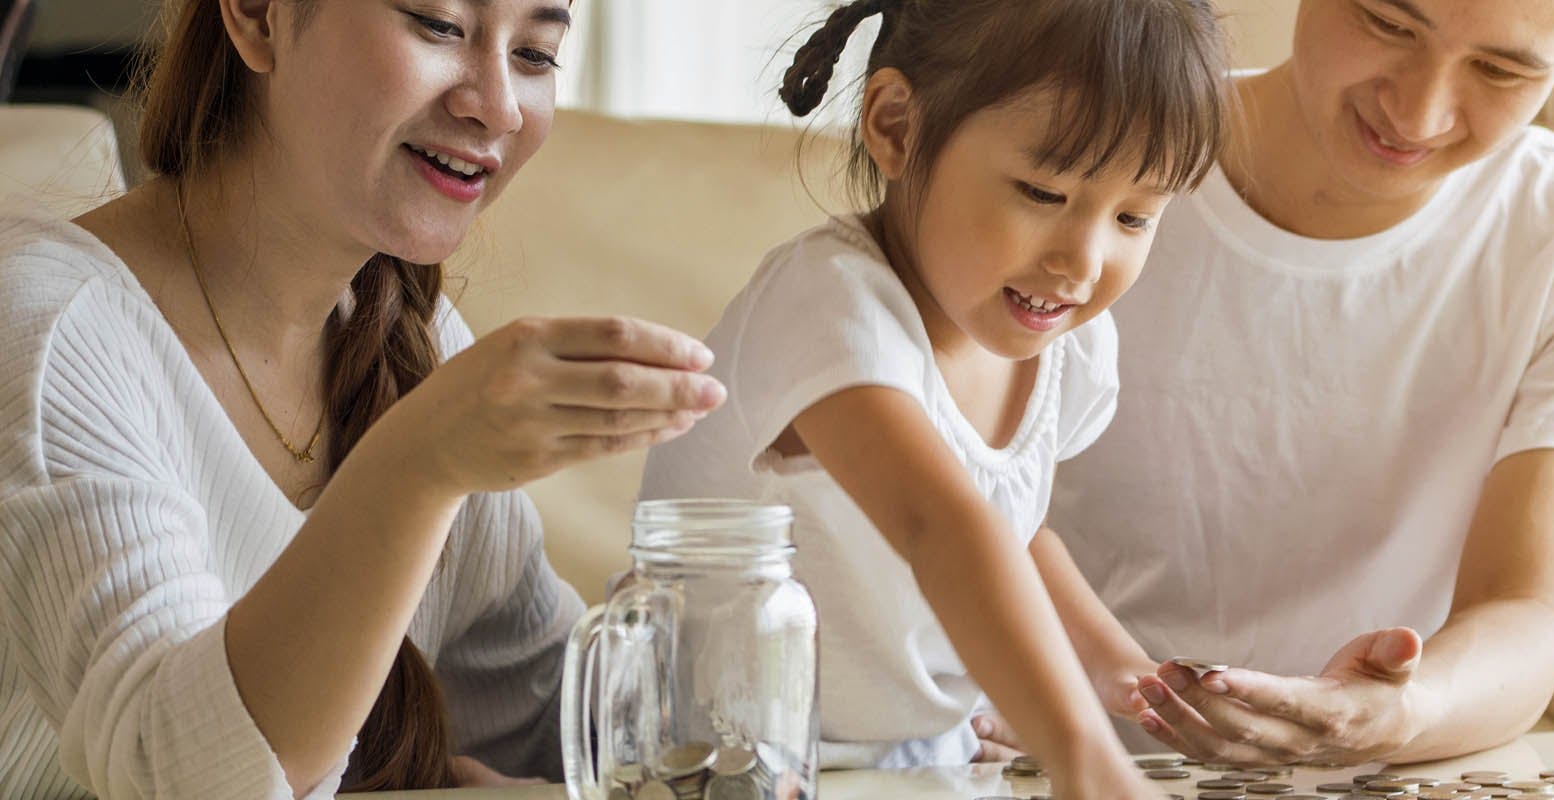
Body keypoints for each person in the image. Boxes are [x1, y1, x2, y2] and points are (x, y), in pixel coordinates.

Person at [0, 0, 727, 796]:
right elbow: (178, 775)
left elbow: (550, 724)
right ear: (256, 17)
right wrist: (418, 462)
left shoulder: (412, 334)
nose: (497, 104)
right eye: (438, 24)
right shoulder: (48, 331)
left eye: (536, 54)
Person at [1039, 0, 1554, 767]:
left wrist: (1403, 710)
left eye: (1502, 69)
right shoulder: (1077, 158)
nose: (1418, 114)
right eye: (1388, 24)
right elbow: (968, 493)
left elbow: (1529, 610)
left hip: (1378, 771)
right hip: (1034, 741)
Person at [631, 0, 1228, 794]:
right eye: (1042, 193)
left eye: (1134, 216)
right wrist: (1084, 754)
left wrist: (1117, 665)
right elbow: (940, 525)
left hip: (922, 759)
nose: (1081, 264)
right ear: (897, 128)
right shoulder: (827, 303)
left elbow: (1015, 534)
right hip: (726, 762)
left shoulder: (1065, 341)